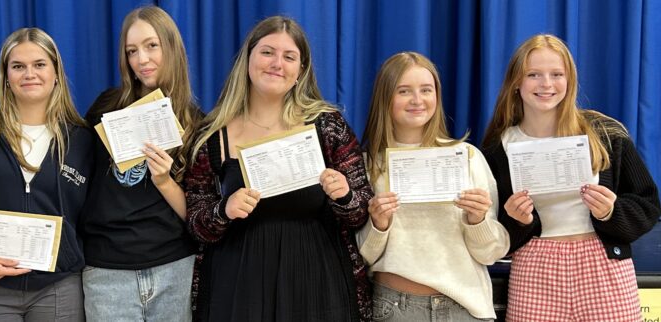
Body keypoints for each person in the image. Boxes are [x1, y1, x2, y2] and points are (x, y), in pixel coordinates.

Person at [183, 16, 372, 322]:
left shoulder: (328, 126)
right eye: (267, 52)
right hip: (238, 284)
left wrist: (345, 195)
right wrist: (223, 210)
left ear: (300, 70)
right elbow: (195, 223)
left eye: (289, 56)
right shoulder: (212, 134)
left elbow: (362, 210)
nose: (276, 63)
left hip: (319, 282)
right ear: (248, 59)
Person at [481, 34, 660, 322]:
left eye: (556, 74)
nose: (546, 84)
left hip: (604, 268)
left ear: (570, 79)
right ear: (516, 81)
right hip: (534, 270)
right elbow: (490, 236)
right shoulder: (496, 149)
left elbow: (648, 204)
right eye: (533, 75)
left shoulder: (605, 134)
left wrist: (611, 212)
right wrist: (517, 221)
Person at [0, 28, 93, 322]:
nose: (29, 74)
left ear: (56, 72)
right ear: (6, 76)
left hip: (59, 286)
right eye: (18, 66)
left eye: (39, 64)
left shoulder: (82, 140)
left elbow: (94, 213)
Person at [356, 52, 509, 321]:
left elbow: (492, 253)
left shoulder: (468, 158)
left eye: (426, 90)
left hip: (465, 308)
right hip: (395, 309)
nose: (417, 100)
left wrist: (478, 221)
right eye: (404, 91)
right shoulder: (368, 165)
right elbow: (362, 257)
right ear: (385, 98)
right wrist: (379, 225)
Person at [80, 6, 202, 321]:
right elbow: (69, 162)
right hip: (107, 268)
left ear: (172, 47)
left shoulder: (196, 125)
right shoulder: (106, 107)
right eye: (132, 51)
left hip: (172, 266)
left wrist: (164, 180)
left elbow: (198, 215)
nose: (141, 60)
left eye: (151, 46)